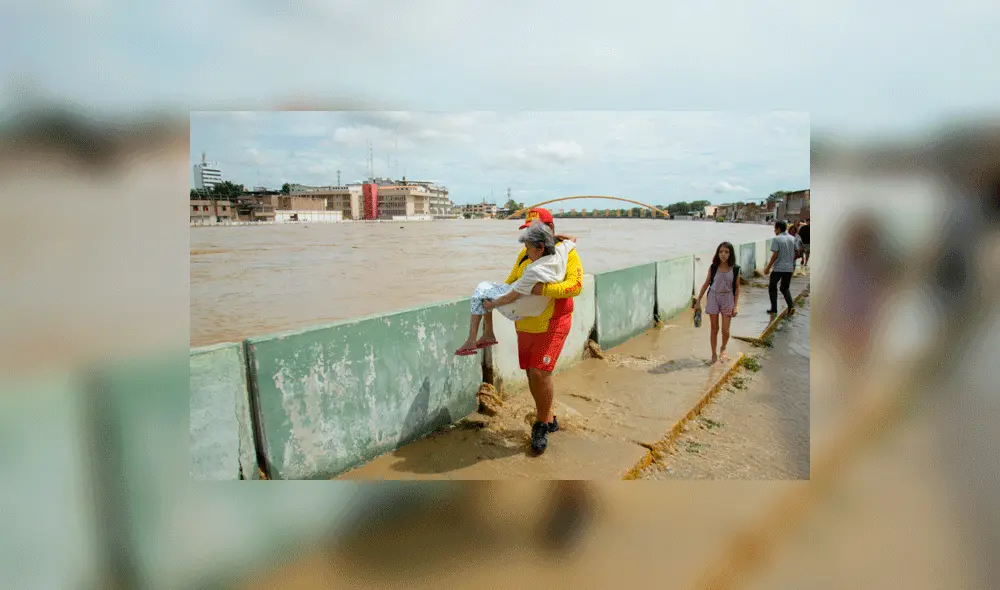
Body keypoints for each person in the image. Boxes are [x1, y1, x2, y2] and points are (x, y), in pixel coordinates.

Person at [504, 207, 584, 455]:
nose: (530, 235)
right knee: (531, 373)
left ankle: (540, 425)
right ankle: (548, 417)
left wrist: (542, 290)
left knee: (540, 371)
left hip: (553, 321)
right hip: (526, 322)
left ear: (550, 229)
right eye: (527, 230)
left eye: (535, 229)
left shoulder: (567, 253)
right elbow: (511, 281)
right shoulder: (524, 253)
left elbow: (575, 286)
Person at [454, 222, 578, 355]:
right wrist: (549, 237)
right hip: (537, 305)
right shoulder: (560, 253)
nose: (527, 253)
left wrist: (492, 304)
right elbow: (572, 239)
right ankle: (488, 334)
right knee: (488, 290)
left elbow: (509, 298)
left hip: (519, 307)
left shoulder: (535, 271)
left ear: (541, 248)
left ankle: (472, 340)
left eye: (528, 248)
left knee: (481, 290)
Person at [693, 242, 741, 364]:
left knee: (725, 330)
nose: (723, 254)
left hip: (728, 298)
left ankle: (723, 348)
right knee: (714, 328)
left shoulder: (735, 269)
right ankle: (713, 353)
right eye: (721, 252)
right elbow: (706, 284)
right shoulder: (713, 267)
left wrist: (735, 305)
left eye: (726, 252)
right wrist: (698, 301)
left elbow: (737, 288)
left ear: (731, 254)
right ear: (717, 253)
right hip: (713, 297)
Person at [764, 220, 798, 315]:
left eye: (775, 229)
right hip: (789, 268)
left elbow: (775, 254)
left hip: (778, 268)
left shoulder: (777, 239)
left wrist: (768, 267)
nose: (774, 231)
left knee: (772, 287)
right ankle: (791, 307)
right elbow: (796, 252)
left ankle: (774, 309)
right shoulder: (793, 238)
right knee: (784, 288)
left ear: (778, 229)